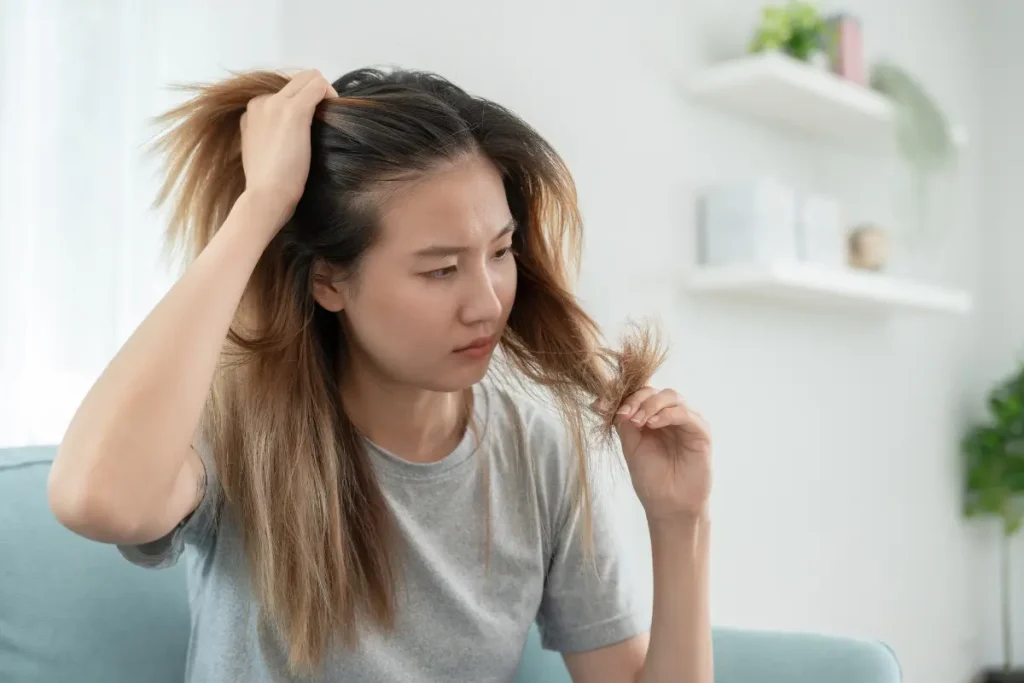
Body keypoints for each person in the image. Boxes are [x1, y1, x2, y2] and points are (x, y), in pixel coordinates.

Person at [48, 67, 713, 683]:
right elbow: (97, 500)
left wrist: (680, 520)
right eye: (440, 269)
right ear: (330, 281)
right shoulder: (240, 426)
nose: (487, 301)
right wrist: (262, 205)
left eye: (501, 250)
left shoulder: (538, 452)